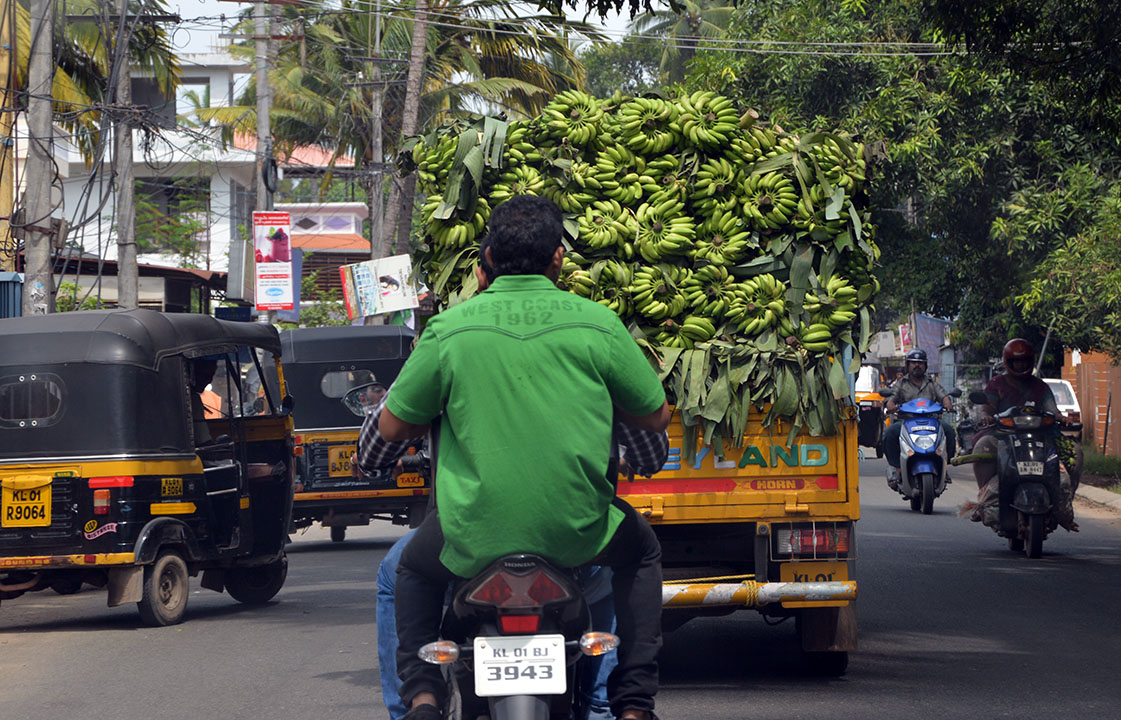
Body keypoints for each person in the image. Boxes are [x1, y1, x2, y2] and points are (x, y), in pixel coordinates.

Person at [358, 194, 670, 720]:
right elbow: (655, 419)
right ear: (559, 259)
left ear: (485, 261)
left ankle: (424, 698)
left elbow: (389, 429)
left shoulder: (449, 330)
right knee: (641, 553)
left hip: (471, 536)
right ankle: (633, 705)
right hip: (578, 533)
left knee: (403, 571)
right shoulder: (599, 324)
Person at [969, 338, 1078, 531]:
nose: (1020, 365)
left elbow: (1052, 409)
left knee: (1076, 452)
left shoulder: (1040, 386)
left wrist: (1062, 418)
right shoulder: (997, 384)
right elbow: (987, 407)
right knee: (982, 446)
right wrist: (986, 417)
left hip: (1041, 438)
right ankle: (985, 501)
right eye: (1016, 361)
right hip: (1002, 437)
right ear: (1008, 362)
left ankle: (1065, 505)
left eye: (1024, 361)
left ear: (1031, 361)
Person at [882, 349, 956, 489]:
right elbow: (892, 398)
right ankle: (897, 469)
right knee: (889, 433)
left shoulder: (931, 383)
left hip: (931, 421)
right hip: (906, 422)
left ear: (925, 366)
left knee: (949, 431)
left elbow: (943, 396)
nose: (917, 365)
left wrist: (947, 403)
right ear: (908, 365)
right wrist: (890, 405)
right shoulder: (901, 383)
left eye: (920, 363)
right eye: (913, 363)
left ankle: (944, 467)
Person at [188, 357, 219, 445]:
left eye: (212, 375)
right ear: (192, 373)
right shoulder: (192, 399)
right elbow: (203, 441)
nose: (209, 380)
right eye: (205, 375)